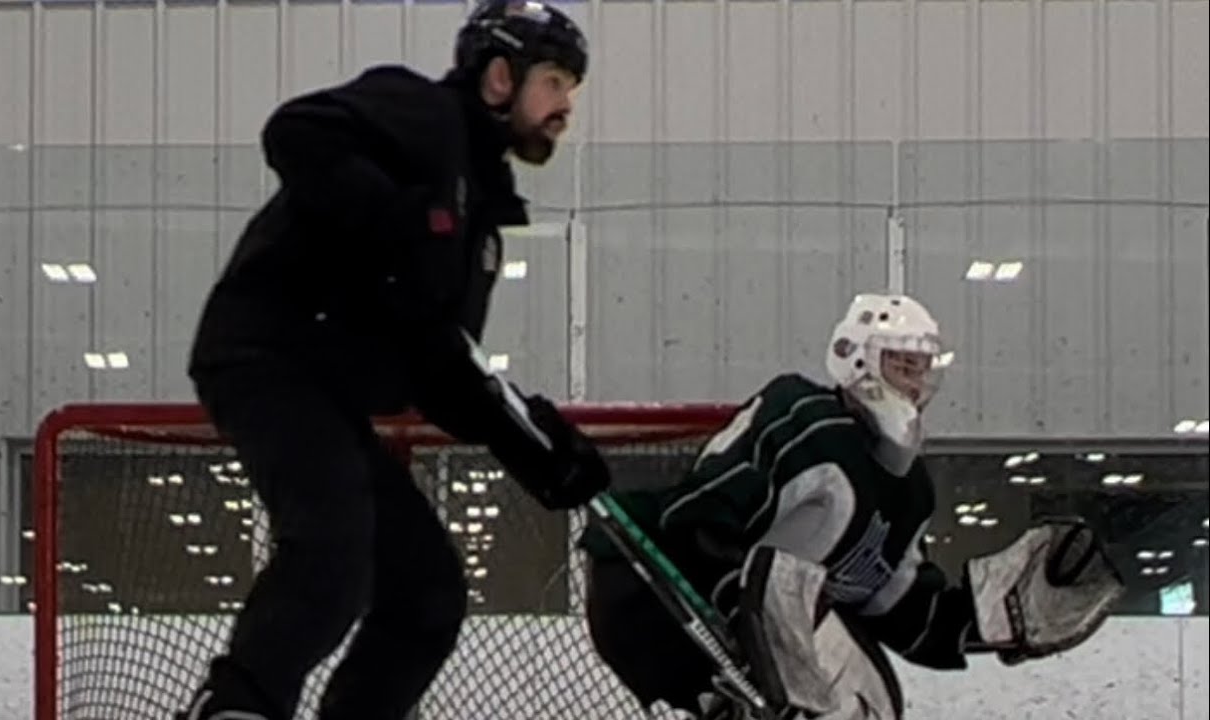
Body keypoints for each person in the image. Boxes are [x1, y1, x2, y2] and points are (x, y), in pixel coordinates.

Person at [177, 3, 610, 719]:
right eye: (556, 80)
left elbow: (438, 362)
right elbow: (297, 130)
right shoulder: (425, 115)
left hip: (328, 394)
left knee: (426, 589)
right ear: (500, 77)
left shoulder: (477, 209)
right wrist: (396, 217)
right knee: (331, 546)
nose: (566, 105)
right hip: (268, 357)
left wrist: (533, 447)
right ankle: (236, 707)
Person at [579, 293, 1123, 720]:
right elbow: (696, 521)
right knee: (816, 659)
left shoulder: (910, 492)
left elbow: (899, 604)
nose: (914, 383)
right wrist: (748, 638)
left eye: (921, 368)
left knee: (867, 705)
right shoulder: (803, 419)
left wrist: (995, 620)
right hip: (649, 586)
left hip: (743, 626)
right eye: (901, 365)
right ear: (856, 359)